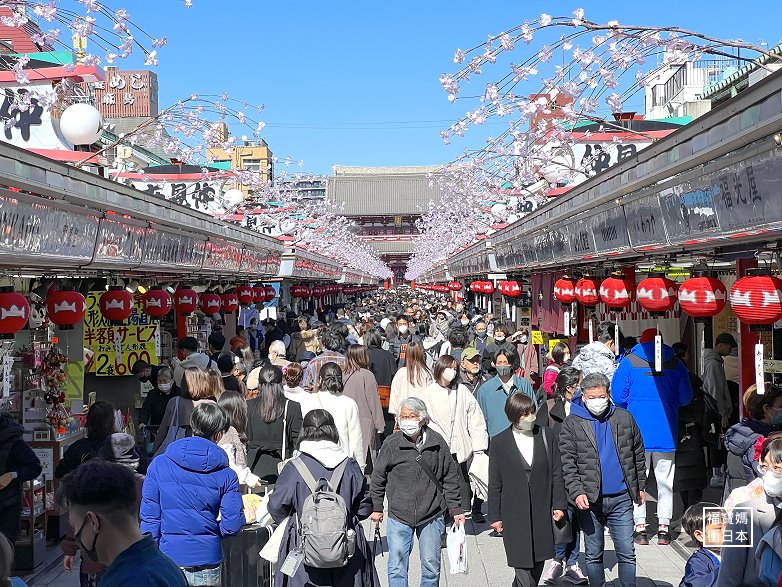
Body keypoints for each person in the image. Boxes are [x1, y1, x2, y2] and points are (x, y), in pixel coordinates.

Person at [268, 410, 379, 587]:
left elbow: (276, 507)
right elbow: (364, 509)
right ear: (333, 431)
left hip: (304, 548)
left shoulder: (294, 467)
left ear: (304, 433)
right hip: (346, 548)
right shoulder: (349, 465)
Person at [558, 372, 647, 587]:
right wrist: (576, 491)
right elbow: (567, 462)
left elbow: (637, 452)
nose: (597, 401)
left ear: (608, 394)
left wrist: (640, 485)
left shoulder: (624, 418)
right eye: (591, 397)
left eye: (601, 396)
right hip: (590, 499)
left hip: (622, 497)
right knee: (593, 553)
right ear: (584, 397)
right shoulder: (573, 423)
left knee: (627, 551)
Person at [141, 403, 244, 586]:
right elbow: (232, 525)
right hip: (207, 558)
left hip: (168, 557)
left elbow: (150, 519)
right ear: (219, 433)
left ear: (192, 425)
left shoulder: (159, 465)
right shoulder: (227, 474)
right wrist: (210, 533)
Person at [370, 397, 464, 587]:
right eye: (403, 416)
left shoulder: (437, 443)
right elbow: (378, 477)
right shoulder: (391, 444)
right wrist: (377, 507)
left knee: (431, 566)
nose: (407, 420)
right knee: (396, 567)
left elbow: (450, 477)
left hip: (431, 513)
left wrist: (455, 509)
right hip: (399, 514)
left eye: (411, 416)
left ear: (422, 418)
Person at [612, 330, 692, 545]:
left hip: (636, 432)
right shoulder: (676, 363)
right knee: (666, 481)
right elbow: (686, 398)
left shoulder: (628, 362)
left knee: (638, 479)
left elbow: (618, 396)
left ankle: (640, 528)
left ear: (641, 342)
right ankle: (664, 528)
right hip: (666, 431)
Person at [60, 460, 187, 587]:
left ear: (93, 522)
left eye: (75, 526)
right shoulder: (160, 566)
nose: (76, 535)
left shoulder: (133, 579)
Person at [489, 393, 568, 586]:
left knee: (538, 560)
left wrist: (559, 504)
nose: (530, 417)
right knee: (521, 562)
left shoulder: (546, 435)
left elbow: (557, 472)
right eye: (524, 414)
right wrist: (495, 515)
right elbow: (495, 482)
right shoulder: (500, 442)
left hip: (542, 506)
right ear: (514, 416)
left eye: (532, 412)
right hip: (513, 511)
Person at [62, 432, 146, 584]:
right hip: (131, 559)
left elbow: (78, 518)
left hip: (95, 562)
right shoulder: (143, 484)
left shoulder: (93, 483)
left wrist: (70, 549)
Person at [417, 355, 489, 521]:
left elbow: (475, 418)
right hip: (437, 449)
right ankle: (442, 521)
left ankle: (457, 514)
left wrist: (479, 448)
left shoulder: (462, 391)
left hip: (459, 449)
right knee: (439, 485)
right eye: (449, 367)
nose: (452, 371)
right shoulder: (428, 393)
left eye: (455, 368)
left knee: (459, 486)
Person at [542, 367, 588, 585]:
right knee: (561, 515)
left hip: (582, 472)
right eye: (580, 383)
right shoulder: (550, 408)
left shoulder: (586, 408)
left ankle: (571, 562)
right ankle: (558, 559)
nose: (583, 386)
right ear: (570, 387)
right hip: (557, 471)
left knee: (576, 518)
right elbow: (540, 441)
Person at [717, 436, 782, 586]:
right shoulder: (743, 512)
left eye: (777, 469)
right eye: (765, 467)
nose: (769, 474)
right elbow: (729, 573)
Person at [300, 362, 366, 470]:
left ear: (320, 380)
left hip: (312, 460)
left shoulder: (307, 401)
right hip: (341, 462)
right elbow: (356, 439)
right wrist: (360, 466)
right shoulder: (349, 403)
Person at [246, 365, 303, 484]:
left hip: (253, 467)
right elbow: (298, 441)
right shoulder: (292, 407)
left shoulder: (248, 406)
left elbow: (245, 436)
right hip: (282, 468)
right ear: (281, 383)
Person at [724, 384, 782, 495]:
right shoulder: (760, 442)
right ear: (766, 408)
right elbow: (771, 479)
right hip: (761, 503)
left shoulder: (743, 432)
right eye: (780, 406)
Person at [477, 348, 546, 440]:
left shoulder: (523, 384)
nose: (502, 365)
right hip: (496, 441)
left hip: (523, 437)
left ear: (512, 364)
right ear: (494, 364)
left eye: (505, 362)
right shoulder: (484, 390)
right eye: (499, 362)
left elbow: (534, 410)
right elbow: (480, 421)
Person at [152, 368, 216, 457]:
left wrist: (155, 450)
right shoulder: (211, 404)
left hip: (176, 453)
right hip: (203, 452)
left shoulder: (174, 402)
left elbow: (163, 430)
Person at [0, 413, 42, 544]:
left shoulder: (12, 440)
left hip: (6, 507)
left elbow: (34, 466)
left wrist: (12, 475)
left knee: (4, 552)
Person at [342, 345, 385, 469]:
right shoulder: (367, 375)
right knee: (365, 457)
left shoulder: (343, 373)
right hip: (364, 420)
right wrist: (379, 424)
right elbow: (374, 401)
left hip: (345, 419)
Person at [55, 401, 116, 479]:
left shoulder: (77, 447)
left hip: (83, 489)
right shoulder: (121, 446)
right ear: (112, 422)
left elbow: (60, 473)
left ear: (89, 422)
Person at [217, 391, 261, 488]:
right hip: (230, 488)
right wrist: (249, 478)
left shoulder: (229, 431)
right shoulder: (228, 432)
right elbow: (228, 464)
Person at [679, 502, 723, 587]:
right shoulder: (697, 562)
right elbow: (699, 583)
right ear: (700, 536)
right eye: (719, 528)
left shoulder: (732, 554)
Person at [702, 333, 736, 434]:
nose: (730, 352)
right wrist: (722, 413)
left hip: (712, 410)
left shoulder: (711, 362)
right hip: (716, 412)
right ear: (720, 345)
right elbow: (715, 390)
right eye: (729, 348)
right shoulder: (713, 364)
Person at [388, 342, 432, 416]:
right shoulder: (427, 374)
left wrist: (396, 414)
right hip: (421, 415)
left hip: (403, 415)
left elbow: (394, 396)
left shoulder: (400, 373)